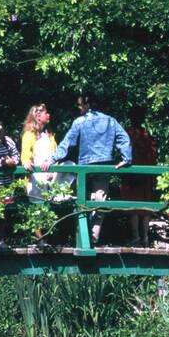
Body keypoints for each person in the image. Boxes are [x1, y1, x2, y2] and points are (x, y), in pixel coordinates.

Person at [41, 90, 132, 245]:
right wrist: (126, 158)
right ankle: (94, 238)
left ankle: (84, 238)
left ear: (87, 104)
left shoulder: (80, 122)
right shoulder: (110, 121)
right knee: (99, 200)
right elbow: (124, 138)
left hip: (86, 166)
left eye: (80, 105)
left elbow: (66, 144)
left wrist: (51, 159)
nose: (78, 108)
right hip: (104, 166)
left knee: (80, 199)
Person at [121, 107, 157, 246]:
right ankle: (145, 238)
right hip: (146, 173)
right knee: (145, 205)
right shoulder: (146, 134)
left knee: (134, 206)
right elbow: (153, 155)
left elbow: (124, 152)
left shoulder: (129, 133)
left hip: (132, 173)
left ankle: (136, 237)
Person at [19, 103, 63, 199]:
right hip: (37, 177)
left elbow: (55, 154)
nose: (48, 115)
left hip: (51, 175)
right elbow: (26, 153)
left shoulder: (49, 135)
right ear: (38, 116)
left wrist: (53, 170)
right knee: (38, 209)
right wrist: (26, 161)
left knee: (70, 164)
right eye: (46, 113)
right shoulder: (29, 134)